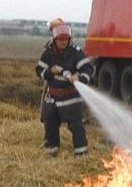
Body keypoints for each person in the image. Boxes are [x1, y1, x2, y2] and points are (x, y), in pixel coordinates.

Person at [35, 18, 94, 157]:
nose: (63, 42)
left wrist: (80, 78)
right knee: (50, 128)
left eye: (66, 39)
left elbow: (88, 68)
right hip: (52, 100)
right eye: (60, 39)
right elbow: (39, 71)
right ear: (54, 39)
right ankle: (51, 155)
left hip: (71, 99)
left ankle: (81, 157)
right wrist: (51, 71)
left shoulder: (75, 52)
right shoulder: (48, 53)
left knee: (77, 128)